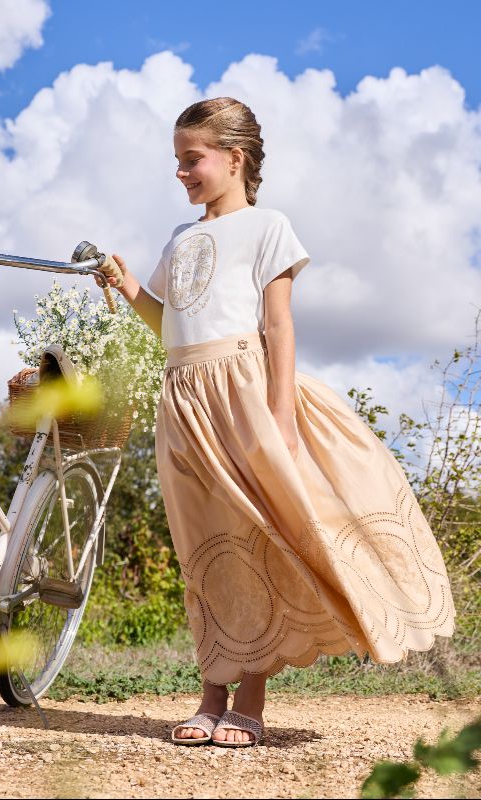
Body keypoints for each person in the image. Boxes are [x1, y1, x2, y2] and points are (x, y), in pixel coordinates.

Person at [97, 97, 455, 748]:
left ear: (235, 159)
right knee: (205, 549)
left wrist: (281, 413)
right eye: (176, 161)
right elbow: (168, 327)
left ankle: (250, 699)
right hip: (184, 398)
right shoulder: (179, 240)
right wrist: (128, 291)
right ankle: (210, 694)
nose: (181, 172)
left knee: (259, 536)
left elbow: (278, 324)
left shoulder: (268, 229)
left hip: (245, 390)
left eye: (192, 159)